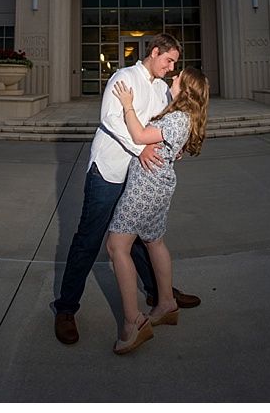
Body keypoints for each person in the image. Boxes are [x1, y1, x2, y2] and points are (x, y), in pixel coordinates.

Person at [53, 33, 201, 345]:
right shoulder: (125, 77)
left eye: (175, 63)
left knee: (137, 239)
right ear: (155, 51)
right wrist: (141, 150)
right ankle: (66, 308)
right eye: (168, 60)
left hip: (138, 177)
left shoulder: (162, 87)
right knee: (90, 239)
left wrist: (176, 148)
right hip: (107, 170)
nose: (171, 67)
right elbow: (110, 118)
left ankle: (160, 294)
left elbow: (166, 124)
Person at [106, 66, 208, 354]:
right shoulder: (182, 118)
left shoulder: (177, 118)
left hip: (146, 187)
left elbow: (139, 136)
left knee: (116, 247)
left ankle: (133, 322)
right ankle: (166, 304)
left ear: (186, 89)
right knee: (153, 241)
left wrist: (127, 106)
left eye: (179, 77)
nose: (172, 77)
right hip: (158, 185)